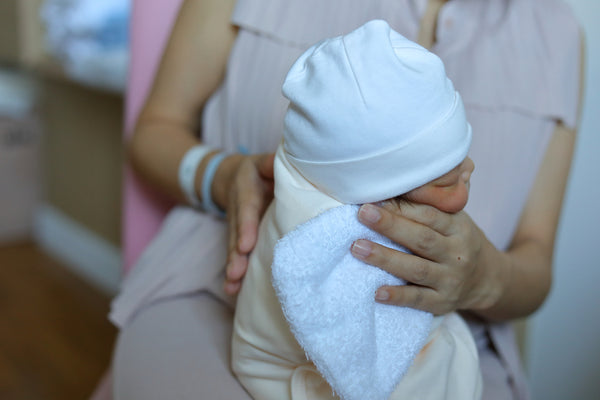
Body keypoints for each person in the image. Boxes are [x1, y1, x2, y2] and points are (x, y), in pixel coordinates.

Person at [108, 1, 583, 399]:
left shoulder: (558, 39)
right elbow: (153, 134)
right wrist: (224, 176)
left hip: (446, 332)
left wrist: (483, 278)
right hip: (218, 290)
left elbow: (536, 261)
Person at [231, 20, 481, 400]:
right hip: (291, 368)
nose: (471, 170)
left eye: (463, 158)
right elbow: (363, 360)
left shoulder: (329, 174)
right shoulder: (329, 245)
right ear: (375, 195)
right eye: (448, 181)